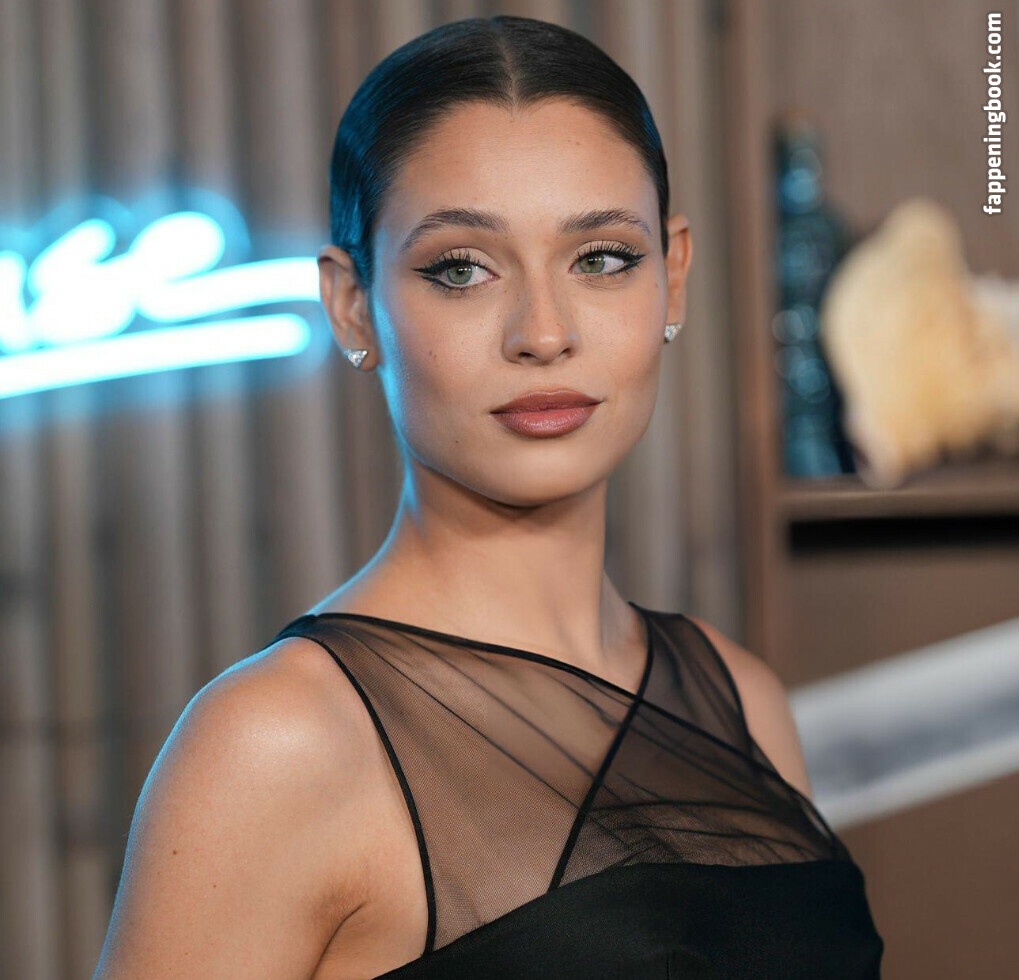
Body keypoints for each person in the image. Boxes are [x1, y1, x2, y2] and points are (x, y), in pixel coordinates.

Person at [94, 15, 883, 979]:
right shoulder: (276, 744)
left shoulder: (740, 697)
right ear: (352, 304)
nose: (543, 333)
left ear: (672, 276)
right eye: (460, 269)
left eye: (601, 259)